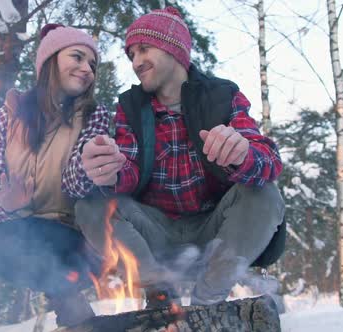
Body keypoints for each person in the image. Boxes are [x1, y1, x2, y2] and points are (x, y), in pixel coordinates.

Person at [62, 7, 285, 308]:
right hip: (155, 235)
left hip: (215, 232)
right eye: (131, 56)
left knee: (265, 194)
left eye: (143, 49)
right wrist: (111, 172)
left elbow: (269, 161)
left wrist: (244, 154)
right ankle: (160, 294)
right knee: (90, 206)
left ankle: (208, 300)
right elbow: (127, 168)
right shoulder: (131, 107)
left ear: (173, 49)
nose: (136, 62)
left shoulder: (222, 95)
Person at [0, 24, 110, 331]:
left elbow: (77, 186)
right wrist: (5, 203)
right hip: (14, 235)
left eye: (92, 64)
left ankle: (74, 311)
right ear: (50, 61)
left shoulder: (94, 116)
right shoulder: (6, 116)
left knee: (26, 237)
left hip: (70, 240)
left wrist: (89, 164)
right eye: (77, 57)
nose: (86, 69)